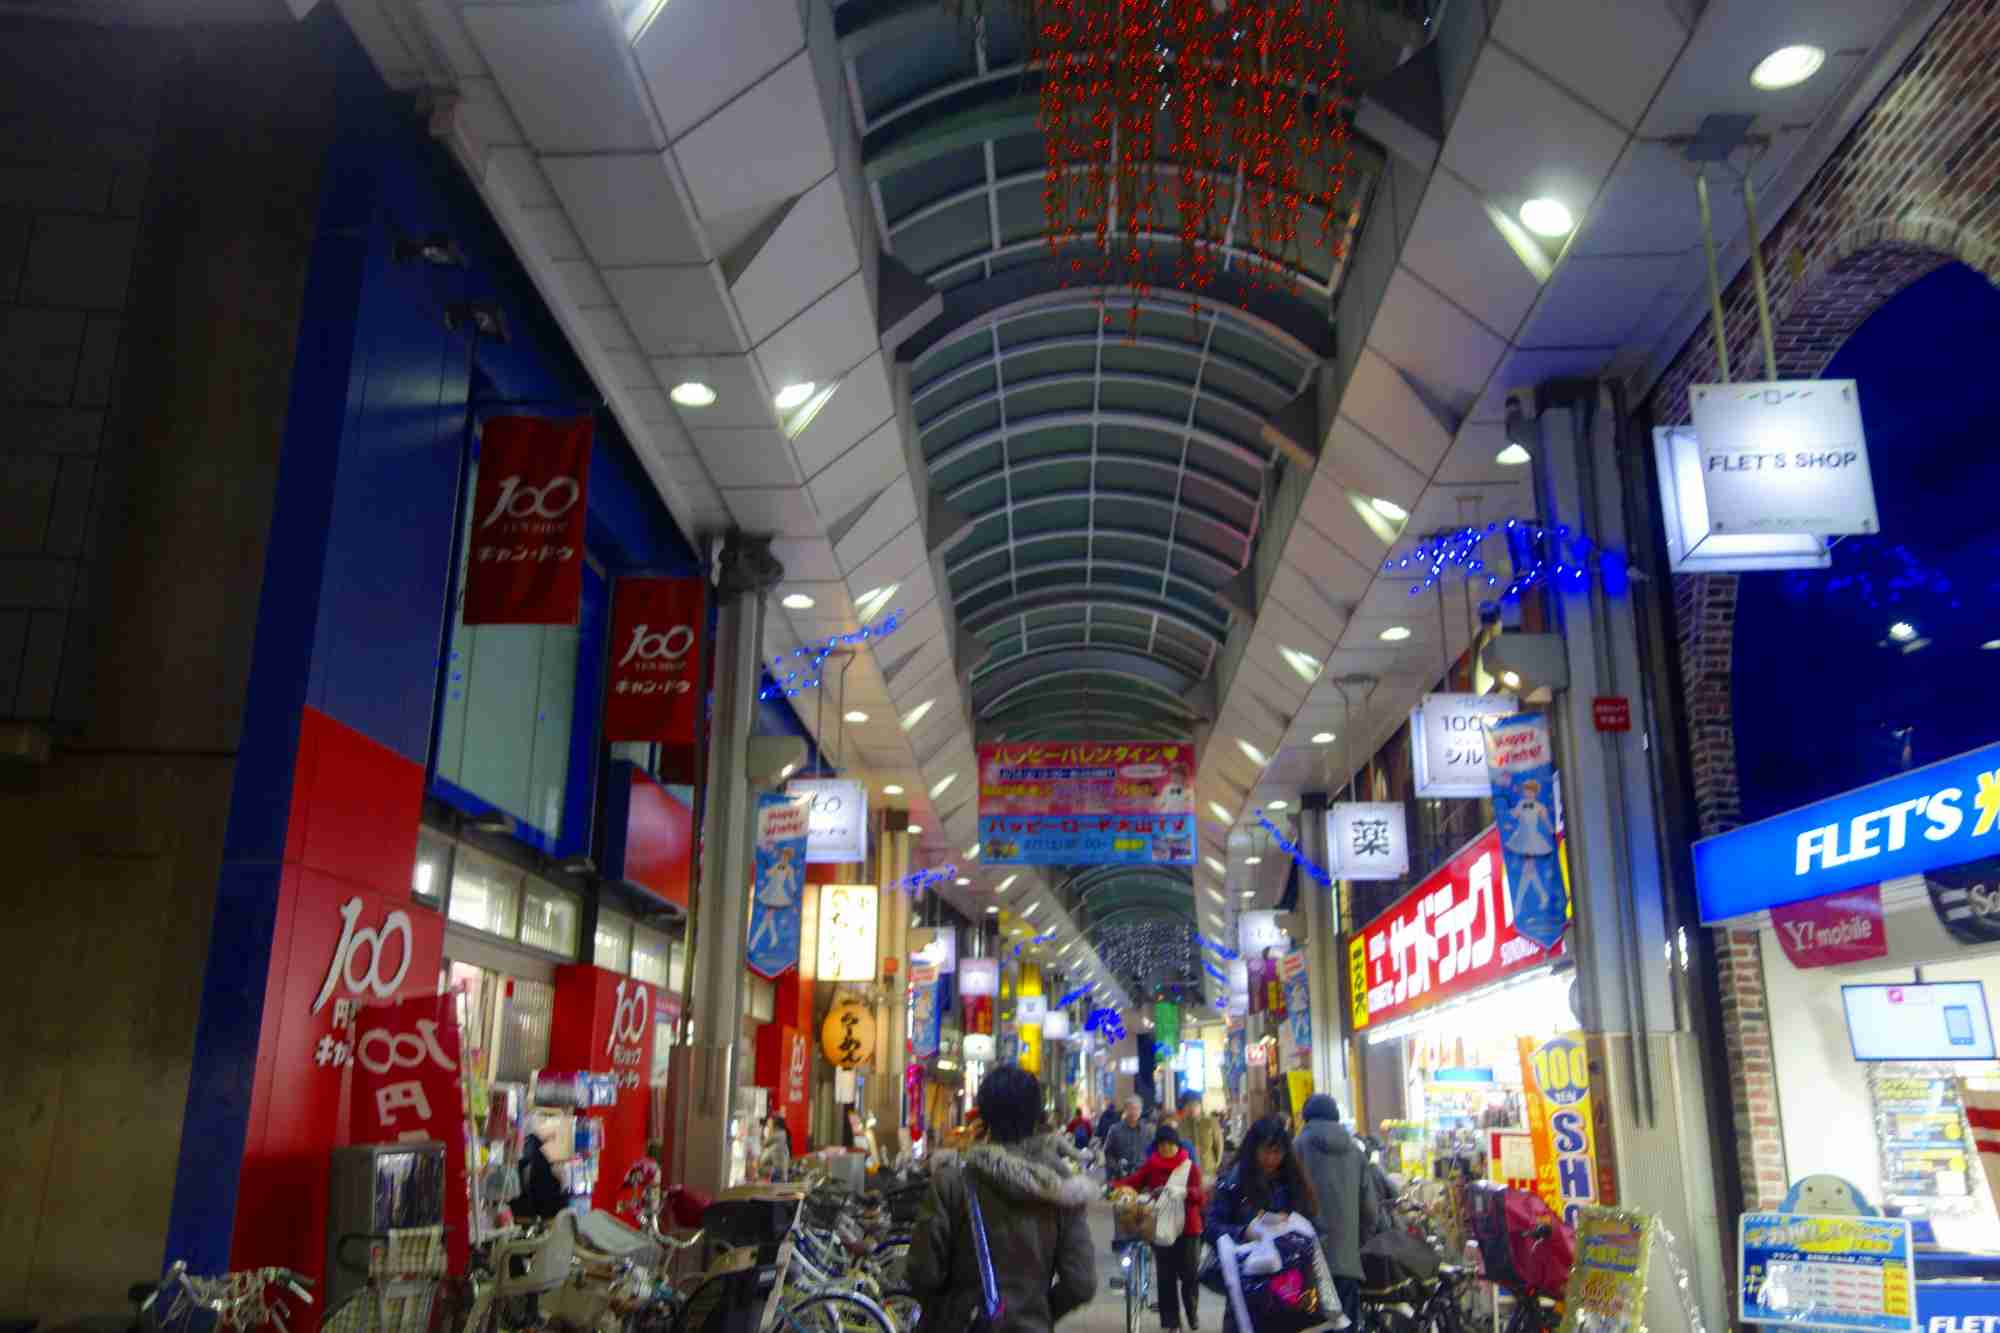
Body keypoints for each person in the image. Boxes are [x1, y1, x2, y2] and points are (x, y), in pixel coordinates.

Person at [908, 1065, 1097, 1332]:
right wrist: (1039, 1312)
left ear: (983, 1116)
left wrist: (950, 1311)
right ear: (1036, 1117)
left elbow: (922, 1271)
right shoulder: (1062, 1190)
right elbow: (1081, 1283)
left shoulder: (952, 1182)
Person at [1203, 1118, 1321, 1333]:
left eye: (1277, 1152)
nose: (1271, 1159)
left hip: (1287, 1286)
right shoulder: (1233, 1182)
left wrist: (1291, 1224)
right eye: (1266, 1151)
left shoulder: (1293, 1183)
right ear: (1253, 1149)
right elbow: (1211, 1226)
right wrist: (1243, 1232)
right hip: (1245, 1287)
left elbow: (1311, 1226)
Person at [1113, 1125, 1206, 1332]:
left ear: (1177, 1145)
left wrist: (1184, 1192)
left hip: (1188, 1229)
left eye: (1170, 1144)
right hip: (1161, 1227)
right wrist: (1116, 1187)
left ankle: (1191, 1312)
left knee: (1190, 1275)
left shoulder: (1190, 1167)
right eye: (1162, 1145)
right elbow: (1135, 1182)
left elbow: (1200, 1196)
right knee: (1166, 1278)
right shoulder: (1152, 1165)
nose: (1166, 1148)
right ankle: (1171, 1322)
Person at [1297, 1097, 1375, 1325]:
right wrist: (1357, 1245)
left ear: (1306, 1118)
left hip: (1307, 1261)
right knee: (1344, 1324)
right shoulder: (1356, 1153)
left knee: (1311, 1325)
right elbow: (1370, 1211)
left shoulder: (1297, 1147)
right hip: (1346, 1263)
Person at [510, 1133, 567, 1221]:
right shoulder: (524, 1164)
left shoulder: (543, 1164)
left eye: (527, 1145)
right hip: (533, 1211)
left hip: (544, 1210)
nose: (526, 1148)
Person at [1172, 1090, 1223, 1182]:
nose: (1191, 1108)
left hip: (1208, 1172)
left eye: (1194, 1105)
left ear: (1200, 1105)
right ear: (1184, 1108)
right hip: (1187, 1174)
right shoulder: (1180, 1126)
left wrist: (1214, 1166)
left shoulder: (1211, 1123)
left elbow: (1219, 1148)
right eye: (1188, 1105)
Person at [1105, 1096, 1150, 1180]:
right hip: (1121, 1176)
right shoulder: (1115, 1129)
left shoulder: (1146, 1130)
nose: (1134, 1112)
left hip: (1142, 1175)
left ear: (1141, 1111)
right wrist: (1116, 1168)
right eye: (1131, 1109)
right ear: (1125, 1110)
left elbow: (1150, 1151)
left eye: (1137, 1109)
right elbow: (1108, 1153)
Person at [758, 1114, 792, 1182]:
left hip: (775, 1179)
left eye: (769, 1125)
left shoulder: (777, 1143)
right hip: (775, 1177)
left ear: (776, 1127)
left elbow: (777, 1169)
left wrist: (759, 1168)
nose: (767, 1127)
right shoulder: (777, 1140)